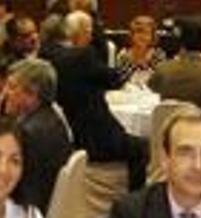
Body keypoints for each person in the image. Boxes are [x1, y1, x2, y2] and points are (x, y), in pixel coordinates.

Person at [52, 11, 148, 190]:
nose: (91, 36)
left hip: (72, 136)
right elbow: (115, 79)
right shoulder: (83, 56)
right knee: (144, 148)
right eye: (90, 31)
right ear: (82, 32)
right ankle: (134, 203)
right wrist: (134, 62)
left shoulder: (54, 55)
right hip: (96, 138)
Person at [2, 57, 72, 210]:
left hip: (26, 215)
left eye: (12, 87)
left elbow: (13, 188)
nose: (5, 92)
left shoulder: (28, 134)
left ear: (32, 94)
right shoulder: (53, 118)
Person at [115, 15, 162, 86]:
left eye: (147, 33)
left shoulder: (158, 54)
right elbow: (119, 79)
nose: (142, 37)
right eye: (138, 32)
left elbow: (160, 81)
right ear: (132, 35)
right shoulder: (123, 54)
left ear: (152, 36)